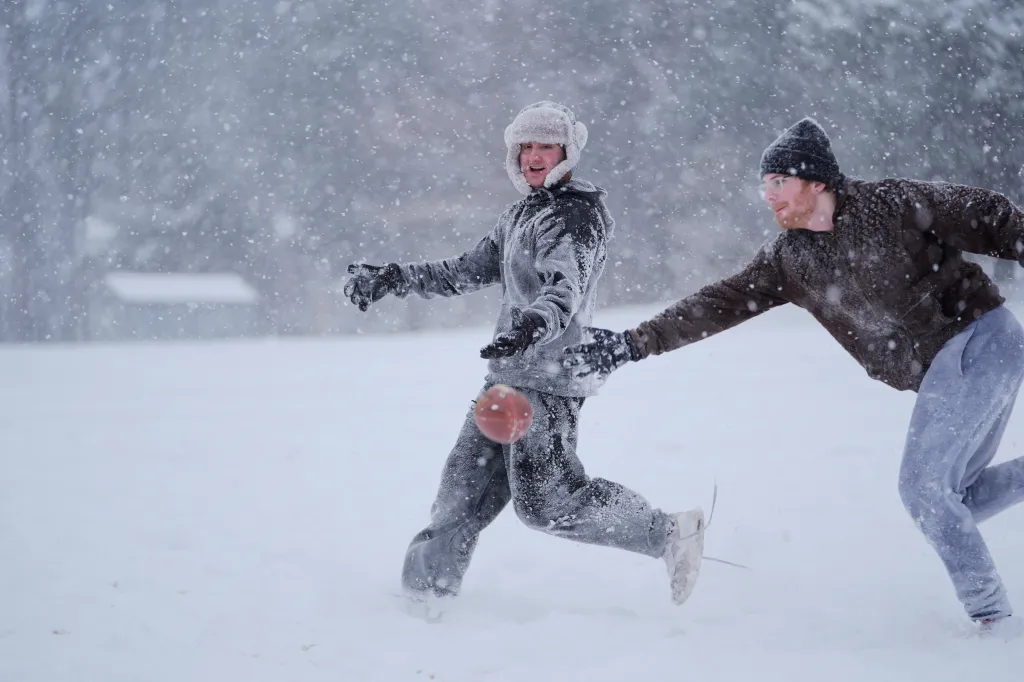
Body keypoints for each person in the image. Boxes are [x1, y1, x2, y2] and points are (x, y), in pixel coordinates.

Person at [564, 117, 1024, 631]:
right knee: (950, 501)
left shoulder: (892, 205)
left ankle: (993, 621)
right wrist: (634, 343)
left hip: (977, 339)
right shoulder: (791, 259)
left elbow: (993, 218)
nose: (768, 196)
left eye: (778, 183)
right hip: (954, 364)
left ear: (817, 181)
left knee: (924, 492)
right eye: (765, 186)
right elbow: (720, 301)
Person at [343, 102, 705, 612]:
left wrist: (533, 323)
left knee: (548, 504)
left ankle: (668, 534)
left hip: (550, 384)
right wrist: (395, 277)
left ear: (567, 152)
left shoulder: (575, 216)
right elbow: (463, 271)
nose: (534, 157)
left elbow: (564, 290)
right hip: (508, 382)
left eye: (545, 147)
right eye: (525, 147)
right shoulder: (521, 213)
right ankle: (423, 602)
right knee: (460, 496)